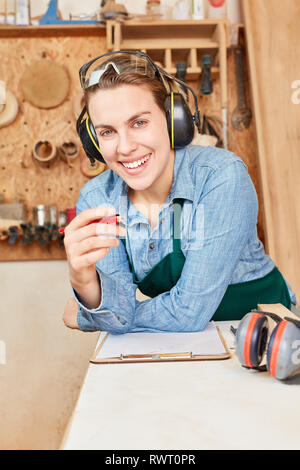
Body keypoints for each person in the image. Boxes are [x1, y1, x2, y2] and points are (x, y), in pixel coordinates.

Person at [62, 51, 297, 334]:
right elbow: (118, 311)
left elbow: (187, 312)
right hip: (178, 342)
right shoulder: (97, 198)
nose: (124, 148)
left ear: (173, 119)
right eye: (107, 132)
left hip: (263, 334)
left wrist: (92, 315)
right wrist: (83, 283)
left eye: (139, 123)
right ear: (92, 140)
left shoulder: (221, 176)